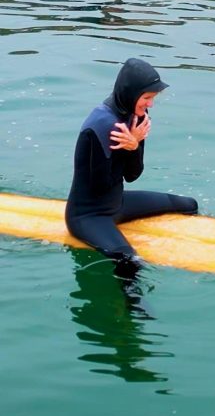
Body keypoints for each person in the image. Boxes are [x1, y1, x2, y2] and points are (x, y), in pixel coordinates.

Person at [65, 58, 198, 276]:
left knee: (189, 205)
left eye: (152, 98)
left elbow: (132, 175)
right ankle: (132, 307)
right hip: (88, 215)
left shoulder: (137, 117)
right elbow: (100, 186)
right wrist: (125, 147)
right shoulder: (99, 125)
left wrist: (134, 145)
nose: (150, 104)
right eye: (146, 98)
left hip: (118, 204)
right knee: (129, 259)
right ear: (131, 93)